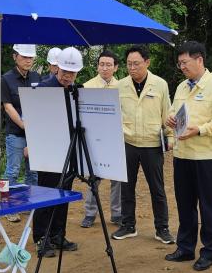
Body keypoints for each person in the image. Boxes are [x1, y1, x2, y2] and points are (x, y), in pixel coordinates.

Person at [164, 41, 212, 271]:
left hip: (207, 158)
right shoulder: (182, 87)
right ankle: (185, 248)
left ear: (199, 60)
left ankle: (209, 251)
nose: (182, 67)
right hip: (182, 155)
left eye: (185, 62)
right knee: (185, 204)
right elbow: (174, 112)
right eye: (180, 63)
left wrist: (200, 130)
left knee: (208, 206)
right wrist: (170, 119)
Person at [112, 46, 175, 245]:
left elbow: (167, 112)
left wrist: (170, 136)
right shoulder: (120, 86)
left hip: (152, 144)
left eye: (136, 64)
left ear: (147, 62)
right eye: (129, 64)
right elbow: (115, 114)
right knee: (126, 188)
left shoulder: (160, 84)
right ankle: (128, 225)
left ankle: (162, 228)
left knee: (157, 188)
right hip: (128, 143)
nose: (132, 68)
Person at [32, 47, 84, 258]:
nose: (67, 77)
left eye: (72, 73)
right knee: (46, 194)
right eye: (64, 72)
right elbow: (34, 121)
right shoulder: (43, 89)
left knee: (64, 194)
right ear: (57, 69)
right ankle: (41, 237)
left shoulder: (77, 91)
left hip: (69, 150)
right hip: (48, 151)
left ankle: (57, 235)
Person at [79, 49, 123, 228]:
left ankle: (117, 213)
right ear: (97, 66)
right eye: (102, 64)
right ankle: (90, 213)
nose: (105, 68)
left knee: (118, 179)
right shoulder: (87, 86)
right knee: (93, 177)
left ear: (115, 67)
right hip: (95, 140)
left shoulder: (122, 87)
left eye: (109, 65)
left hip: (115, 139)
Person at [0, 43, 40, 223]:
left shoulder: (36, 77)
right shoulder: (6, 79)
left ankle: (29, 203)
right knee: (13, 170)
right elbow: (8, 106)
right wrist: (24, 125)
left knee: (33, 171)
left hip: (35, 133)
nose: (28, 60)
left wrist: (35, 129)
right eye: (24, 57)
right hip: (16, 133)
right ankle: (9, 206)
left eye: (30, 57)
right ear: (15, 57)